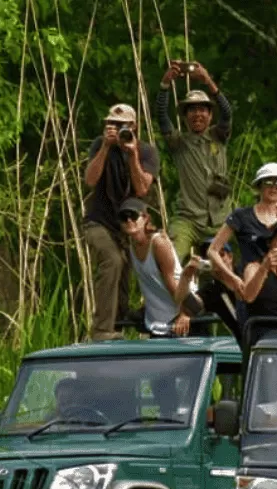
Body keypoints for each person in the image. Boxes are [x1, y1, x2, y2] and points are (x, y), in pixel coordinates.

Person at [83, 103, 161, 340]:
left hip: (128, 222)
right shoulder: (100, 144)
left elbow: (141, 188)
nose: (116, 130)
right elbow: (90, 180)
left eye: (122, 126)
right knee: (113, 261)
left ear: (134, 126)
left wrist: (132, 154)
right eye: (112, 125)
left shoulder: (146, 152)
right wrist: (106, 147)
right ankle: (102, 329)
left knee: (131, 267)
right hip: (98, 221)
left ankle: (120, 320)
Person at [155, 61, 234, 257]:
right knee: (169, 258)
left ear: (209, 114)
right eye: (192, 110)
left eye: (202, 109)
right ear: (184, 116)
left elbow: (227, 113)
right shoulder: (179, 142)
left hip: (220, 221)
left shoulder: (219, 135)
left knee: (223, 268)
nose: (197, 114)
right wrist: (165, 85)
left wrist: (207, 80)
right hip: (188, 219)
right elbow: (162, 117)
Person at [208, 162, 277, 282]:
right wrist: (232, 277)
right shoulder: (242, 216)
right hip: (249, 283)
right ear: (260, 186)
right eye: (268, 182)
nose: (274, 187)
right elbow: (212, 251)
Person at [118, 199, 190, 337]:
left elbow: (174, 286)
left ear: (145, 218)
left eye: (133, 215)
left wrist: (185, 313)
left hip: (180, 311)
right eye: (123, 217)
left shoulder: (158, 244)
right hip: (157, 320)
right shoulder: (130, 247)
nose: (128, 220)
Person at [176, 237, 245, 340]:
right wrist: (185, 276)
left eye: (221, 255)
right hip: (246, 343)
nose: (216, 260)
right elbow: (187, 304)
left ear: (230, 257)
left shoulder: (245, 271)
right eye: (210, 257)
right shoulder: (211, 290)